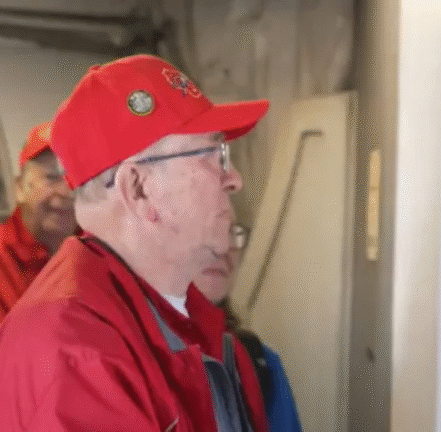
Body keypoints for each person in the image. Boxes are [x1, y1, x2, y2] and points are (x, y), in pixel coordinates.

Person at [0, 54, 272, 431]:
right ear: (138, 189)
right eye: (215, 156)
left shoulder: (183, 318)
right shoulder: (77, 353)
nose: (234, 179)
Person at [194, 223, 303, 432]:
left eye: (231, 232)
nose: (223, 247)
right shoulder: (135, 358)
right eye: (206, 230)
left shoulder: (259, 361)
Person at [0, 121, 75, 320]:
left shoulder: (98, 246)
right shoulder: (4, 258)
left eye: (74, 175)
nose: (67, 191)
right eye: (52, 177)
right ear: (19, 188)